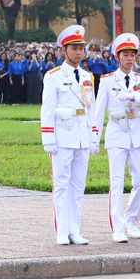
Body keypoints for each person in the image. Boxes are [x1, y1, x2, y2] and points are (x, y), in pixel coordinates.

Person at [91, 33, 140, 243]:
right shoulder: (107, 81)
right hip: (117, 131)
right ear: (117, 57)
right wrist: (95, 138)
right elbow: (98, 111)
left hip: (137, 132)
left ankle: (131, 219)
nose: (130, 58)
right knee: (117, 182)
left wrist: (134, 96)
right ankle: (117, 227)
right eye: (125, 55)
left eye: (133, 54)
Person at [41, 26, 96, 245]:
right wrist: (49, 139)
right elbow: (47, 109)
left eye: (81, 48)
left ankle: (75, 230)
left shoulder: (87, 76)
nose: (79, 52)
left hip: (82, 137)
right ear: (64, 51)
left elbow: (90, 109)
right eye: (74, 48)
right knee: (61, 185)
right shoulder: (53, 76)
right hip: (63, 137)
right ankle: (62, 231)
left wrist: (93, 137)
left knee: (78, 186)